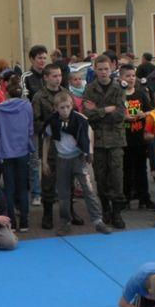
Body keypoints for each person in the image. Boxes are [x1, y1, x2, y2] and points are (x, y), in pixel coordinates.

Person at [41, 91, 112, 236]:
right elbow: (46, 140)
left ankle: (98, 221)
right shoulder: (52, 121)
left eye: (67, 107)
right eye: (62, 108)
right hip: (62, 160)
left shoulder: (80, 119)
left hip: (78, 159)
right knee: (63, 193)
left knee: (88, 190)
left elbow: (89, 134)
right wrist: (44, 161)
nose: (65, 110)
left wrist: (89, 152)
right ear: (55, 108)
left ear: (72, 105)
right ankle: (65, 222)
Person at [33, 63, 80, 229]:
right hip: (50, 145)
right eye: (54, 76)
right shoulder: (39, 97)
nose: (57, 78)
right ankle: (47, 215)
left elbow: (75, 115)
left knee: (69, 181)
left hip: (68, 144)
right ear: (46, 77)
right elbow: (35, 122)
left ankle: (70, 212)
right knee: (48, 181)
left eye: (59, 75)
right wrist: (51, 125)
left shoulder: (67, 93)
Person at [82, 54, 127, 228]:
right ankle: (106, 209)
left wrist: (98, 111)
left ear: (112, 69)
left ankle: (117, 213)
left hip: (115, 140)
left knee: (116, 177)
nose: (102, 72)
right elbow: (87, 115)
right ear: (94, 70)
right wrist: (105, 110)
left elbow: (120, 115)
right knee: (100, 177)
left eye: (106, 69)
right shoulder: (90, 89)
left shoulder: (118, 88)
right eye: (99, 69)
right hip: (98, 141)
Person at [0, 76, 36, 232]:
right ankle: (24, 221)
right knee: (23, 188)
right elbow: (30, 129)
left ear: (6, 93)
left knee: (8, 189)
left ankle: (10, 222)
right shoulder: (27, 106)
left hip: (5, 152)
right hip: (22, 151)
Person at [120, 64, 154, 211]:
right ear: (121, 78)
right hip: (125, 140)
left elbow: (150, 111)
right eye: (127, 76)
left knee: (141, 170)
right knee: (126, 170)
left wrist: (143, 114)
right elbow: (115, 113)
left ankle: (144, 198)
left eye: (133, 76)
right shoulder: (119, 94)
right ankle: (126, 198)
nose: (131, 78)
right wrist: (124, 117)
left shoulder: (140, 94)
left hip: (139, 139)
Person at [22, 45, 50, 206]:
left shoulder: (49, 75)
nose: (42, 61)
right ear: (32, 59)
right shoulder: (26, 76)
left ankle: (49, 191)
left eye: (44, 58)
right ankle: (36, 193)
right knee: (34, 161)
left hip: (49, 124)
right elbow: (23, 99)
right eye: (39, 58)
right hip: (32, 125)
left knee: (50, 159)